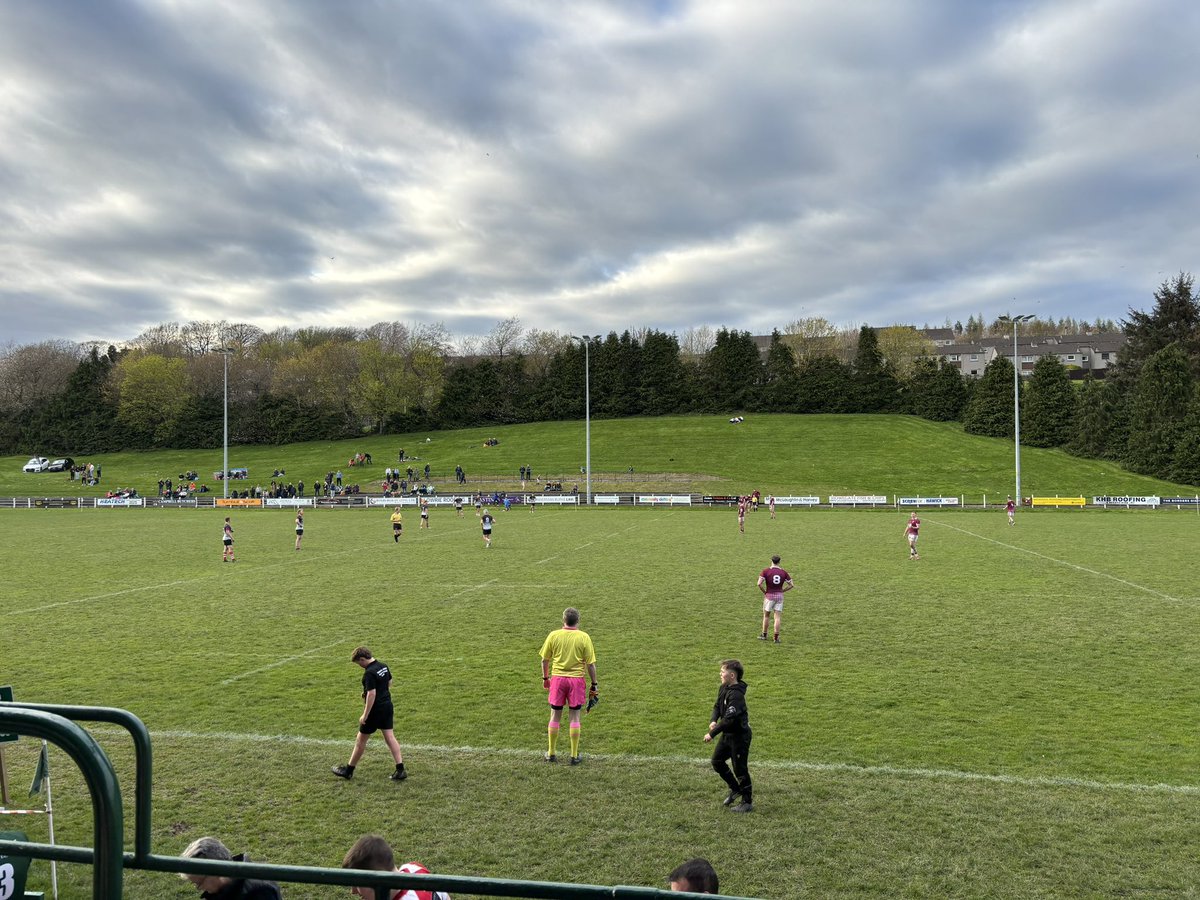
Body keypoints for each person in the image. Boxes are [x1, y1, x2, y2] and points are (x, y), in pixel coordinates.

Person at [332, 647, 408, 781]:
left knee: (360, 740)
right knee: (390, 737)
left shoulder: (369, 673)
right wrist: (375, 692)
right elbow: (389, 682)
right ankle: (400, 770)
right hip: (387, 706)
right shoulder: (382, 666)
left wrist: (365, 715)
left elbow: (372, 694)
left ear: (362, 659)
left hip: (375, 710)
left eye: (358, 663)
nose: (359, 666)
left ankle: (348, 771)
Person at [539, 607, 597, 765]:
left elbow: (544, 660)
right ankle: (573, 755)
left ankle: (551, 753)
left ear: (563, 620)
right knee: (575, 716)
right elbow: (591, 664)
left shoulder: (554, 635)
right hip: (576, 681)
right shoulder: (584, 637)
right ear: (578, 621)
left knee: (555, 715)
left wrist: (545, 678)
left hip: (557, 680)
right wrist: (594, 683)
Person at [704, 659, 752, 813]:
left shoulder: (737, 696)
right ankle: (735, 789)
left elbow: (729, 719)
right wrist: (713, 720)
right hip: (728, 735)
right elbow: (717, 706)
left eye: (722, 671)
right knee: (717, 761)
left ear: (732, 675)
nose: (720, 673)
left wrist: (712, 733)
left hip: (739, 737)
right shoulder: (724, 687)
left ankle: (747, 802)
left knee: (740, 769)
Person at [341, 834, 451, 900]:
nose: (353, 891)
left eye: (357, 884)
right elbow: (445, 896)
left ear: (377, 881)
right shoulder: (413, 868)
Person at [179, 836, 282, 899]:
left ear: (216, 871)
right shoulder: (222, 890)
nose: (200, 889)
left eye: (198, 883)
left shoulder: (259, 892)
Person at [757, 554, 793, 643]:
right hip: (779, 596)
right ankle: (776, 638)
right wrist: (783, 591)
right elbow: (791, 585)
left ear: (771, 561)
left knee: (766, 616)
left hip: (769, 596)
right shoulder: (783, 572)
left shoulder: (765, 571)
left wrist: (764, 592)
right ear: (779, 562)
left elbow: (759, 584)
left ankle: (764, 635)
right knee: (777, 618)